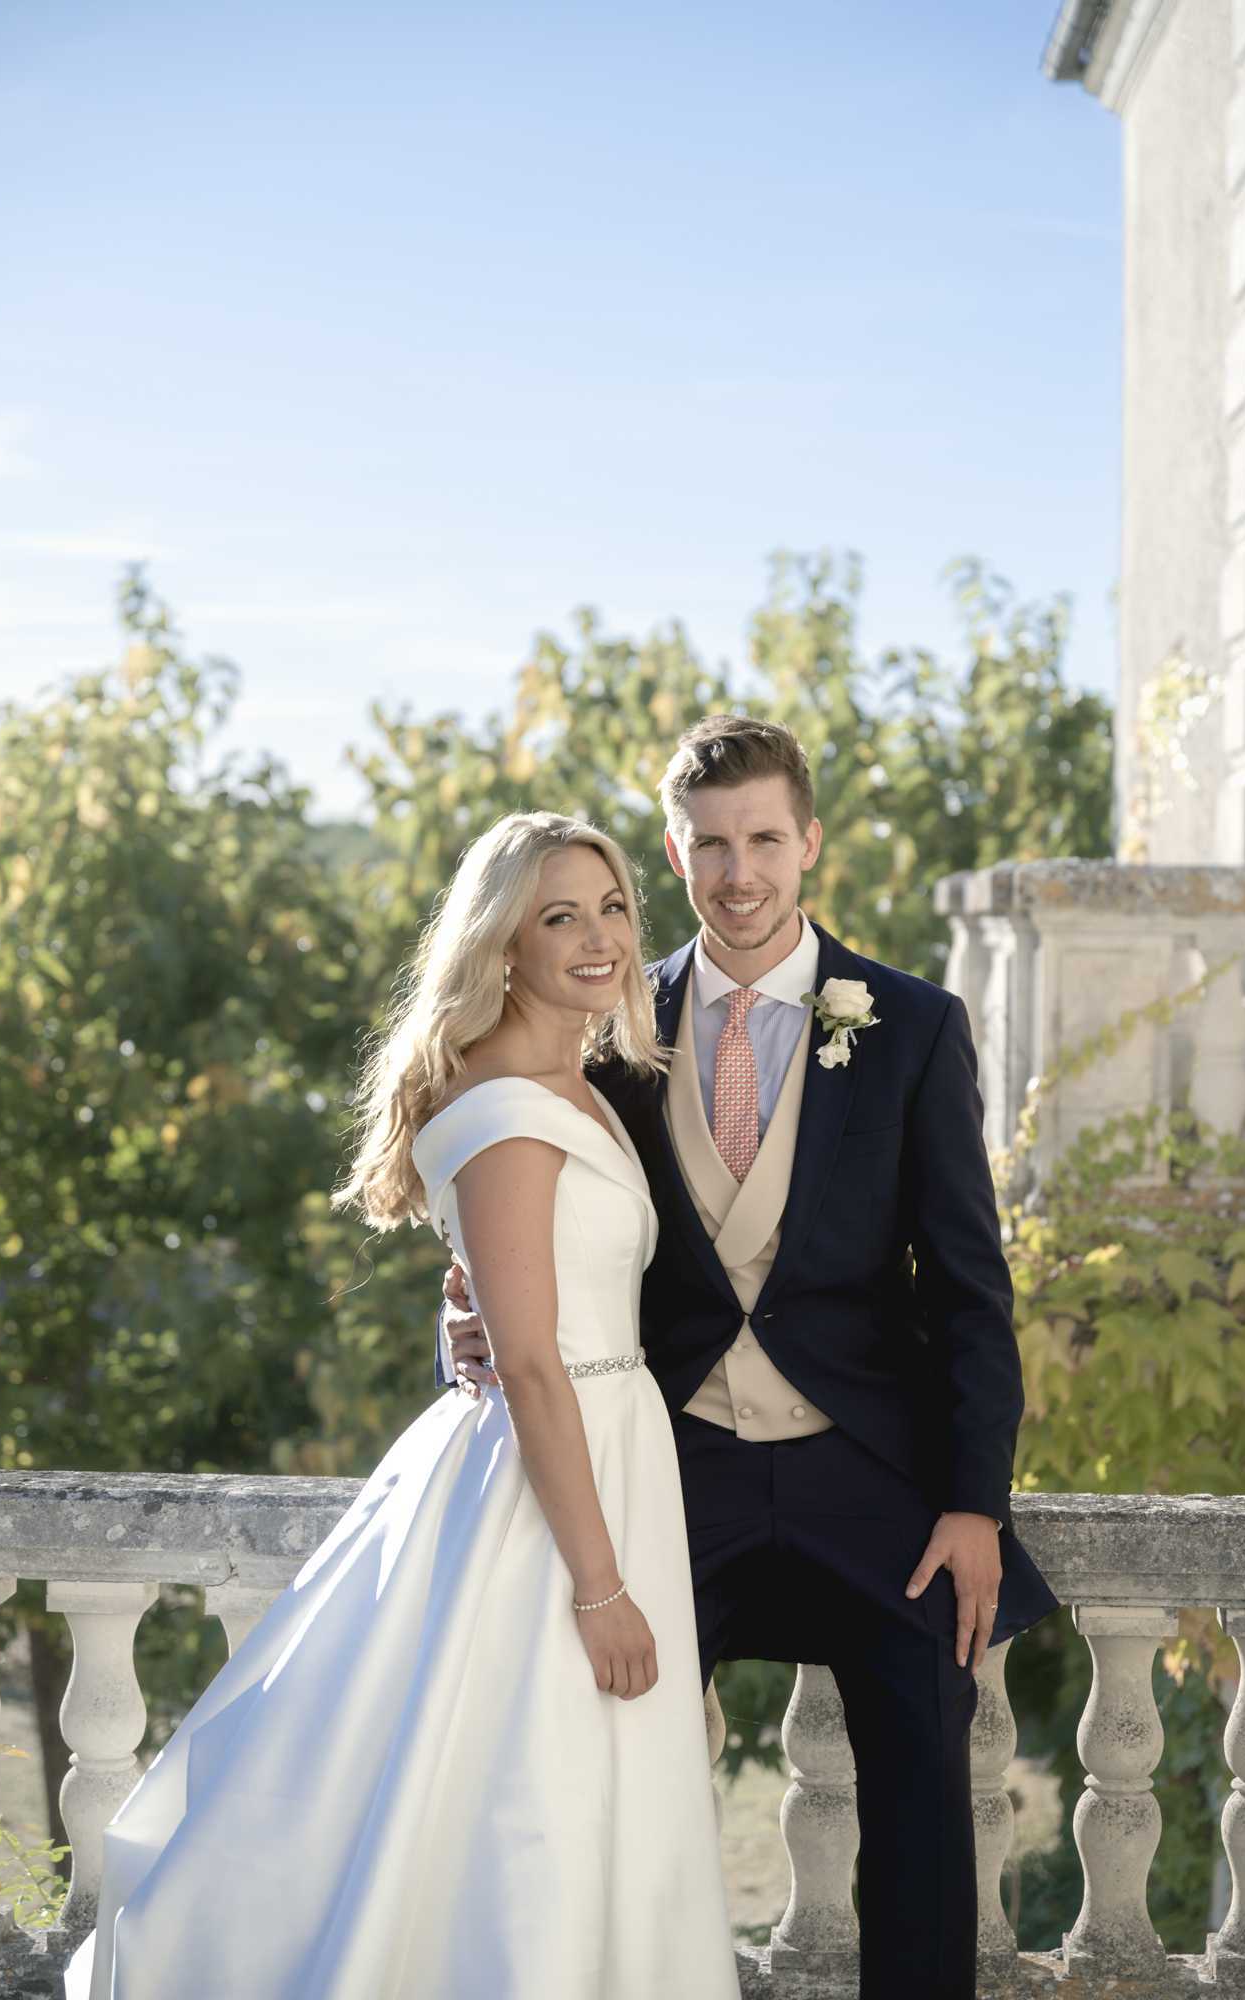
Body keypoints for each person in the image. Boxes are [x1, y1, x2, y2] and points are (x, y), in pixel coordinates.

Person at [64, 811, 739, 2000]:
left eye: (615, 906)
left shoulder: (576, 1082)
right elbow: (529, 1363)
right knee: (529, 1794)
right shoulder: (505, 1111)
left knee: (589, 1789)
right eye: (559, 915)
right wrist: (600, 1584)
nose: (600, 938)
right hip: (550, 1492)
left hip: (609, 1453)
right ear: (501, 943)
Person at [444, 716, 1061, 2000]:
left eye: (765, 839)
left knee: (927, 1773)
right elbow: (514, 1213)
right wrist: (468, 1325)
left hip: (871, 1479)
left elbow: (967, 1290)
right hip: (675, 1467)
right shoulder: (602, 1023)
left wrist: (973, 1502)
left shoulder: (913, 1025)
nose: (740, 873)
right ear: (675, 852)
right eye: (711, 844)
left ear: (809, 842)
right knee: (594, 1742)